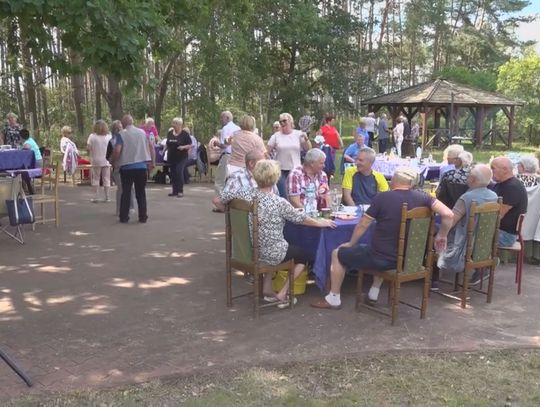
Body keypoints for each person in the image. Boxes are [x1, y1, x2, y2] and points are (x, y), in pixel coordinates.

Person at [311, 166, 453, 310]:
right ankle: (373, 293)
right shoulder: (425, 197)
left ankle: (333, 298)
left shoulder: (383, 198)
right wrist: (442, 236)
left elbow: (363, 224)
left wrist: (351, 243)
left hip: (382, 259)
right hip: (408, 259)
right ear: (411, 183)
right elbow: (449, 215)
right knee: (379, 247)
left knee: (337, 253)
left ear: (393, 182)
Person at [221, 159, 336, 305]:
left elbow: (223, 197)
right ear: (275, 178)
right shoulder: (278, 202)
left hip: (246, 250)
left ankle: (267, 289)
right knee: (305, 256)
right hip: (270, 253)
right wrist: (321, 223)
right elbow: (300, 218)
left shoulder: (244, 194)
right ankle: (283, 293)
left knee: (276, 244)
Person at [434, 165, 498, 288]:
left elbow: (451, 221)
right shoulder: (494, 196)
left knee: (432, 232)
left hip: (463, 245)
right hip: (482, 245)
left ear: (472, 180)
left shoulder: (467, 197)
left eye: (468, 176)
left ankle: (432, 280)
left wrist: (438, 230)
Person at [111, 114, 154, 223]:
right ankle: (143, 216)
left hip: (127, 167)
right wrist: (152, 161)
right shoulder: (143, 133)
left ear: (124, 124)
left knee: (126, 192)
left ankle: (124, 217)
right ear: (132, 122)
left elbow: (117, 150)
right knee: (141, 192)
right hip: (141, 166)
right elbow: (151, 146)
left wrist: (113, 161)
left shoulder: (121, 134)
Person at [267, 113, 311, 198]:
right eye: (280, 121)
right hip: (280, 170)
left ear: (291, 122)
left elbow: (308, 149)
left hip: (295, 170)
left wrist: (306, 139)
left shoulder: (298, 134)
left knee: (296, 194)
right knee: (284, 195)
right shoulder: (276, 136)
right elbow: (266, 151)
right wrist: (271, 163)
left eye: (284, 121)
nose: (282, 123)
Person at [491, 156, 528, 247]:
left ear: (505, 169)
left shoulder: (512, 188)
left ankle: (491, 261)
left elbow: (497, 215)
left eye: (493, 168)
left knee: (468, 236)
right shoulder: (502, 184)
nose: (491, 171)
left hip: (505, 235)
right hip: (500, 231)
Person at [212, 111, 240, 211]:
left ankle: (222, 204)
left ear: (227, 118)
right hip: (236, 157)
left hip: (227, 156)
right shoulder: (238, 128)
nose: (221, 119)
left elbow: (224, 145)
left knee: (220, 181)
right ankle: (234, 204)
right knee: (232, 181)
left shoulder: (225, 128)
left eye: (222, 117)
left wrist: (216, 143)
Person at [108, 120, 135, 216]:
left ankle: (131, 207)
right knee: (121, 188)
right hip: (118, 167)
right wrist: (113, 162)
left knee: (131, 187)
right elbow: (109, 155)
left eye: (121, 127)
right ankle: (119, 209)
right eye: (117, 128)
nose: (119, 129)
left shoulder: (127, 138)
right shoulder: (111, 141)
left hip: (127, 165)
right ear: (114, 129)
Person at [164, 117, 192, 198]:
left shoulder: (185, 134)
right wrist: (164, 150)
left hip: (182, 157)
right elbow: (167, 143)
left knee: (179, 172)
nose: (173, 125)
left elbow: (190, 145)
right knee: (173, 173)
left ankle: (180, 191)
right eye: (173, 123)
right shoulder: (170, 133)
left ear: (180, 125)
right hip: (171, 156)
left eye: (175, 123)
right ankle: (174, 191)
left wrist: (183, 147)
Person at [87, 120, 112, 203]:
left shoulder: (92, 136)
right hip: (106, 160)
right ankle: (107, 197)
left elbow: (88, 148)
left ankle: (96, 197)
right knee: (106, 178)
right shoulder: (109, 136)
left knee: (96, 178)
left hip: (96, 160)